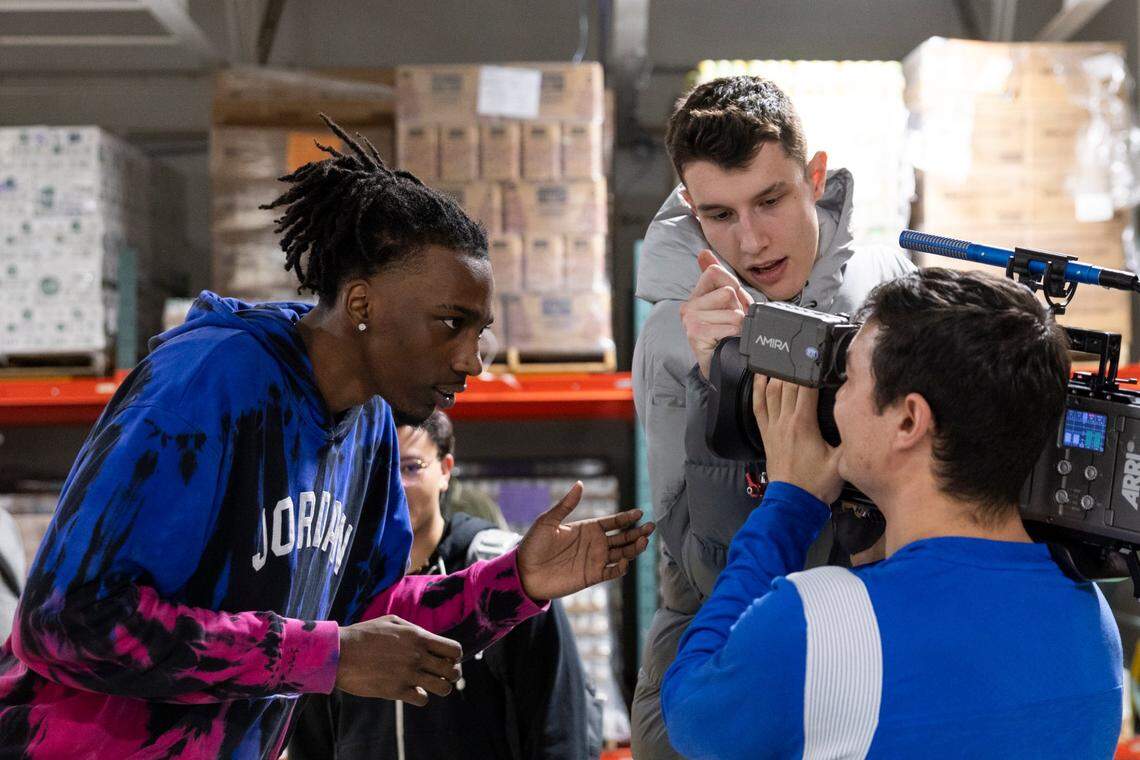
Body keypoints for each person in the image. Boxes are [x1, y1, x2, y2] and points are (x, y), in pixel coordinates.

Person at [0, 117, 653, 759]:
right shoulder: (210, 383)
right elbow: (65, 620)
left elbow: (364, 617)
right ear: (363, 306)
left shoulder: (368, 424)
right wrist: (318, 656)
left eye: (477, 330)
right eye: (450, 323)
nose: (472, 360)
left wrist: (516, 582)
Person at [661, 268, 1124, 759]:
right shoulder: (1093, 623)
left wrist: (789, 504)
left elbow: (691, 710)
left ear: (909, 420)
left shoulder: (815, 626)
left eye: (849, 377)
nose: (833, 397)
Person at [631, 75, 914, 756]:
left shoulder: (893, 289)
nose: (753, 241)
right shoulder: (669, 340)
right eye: (720, 215)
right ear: (690, 209)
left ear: (813, 176)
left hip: (879, 631)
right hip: (727, 630)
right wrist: (717, 385)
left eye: (770, 199)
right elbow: (688, 558)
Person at [290, 411, 602, 759]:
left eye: (410, 468)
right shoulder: (334, 586)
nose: (392, 486)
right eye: (377, 469)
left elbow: (558, 722)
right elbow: (311, 732)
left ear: (446, 469)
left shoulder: (505, 572)